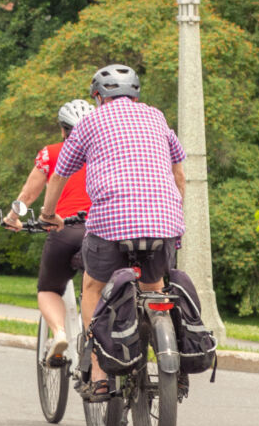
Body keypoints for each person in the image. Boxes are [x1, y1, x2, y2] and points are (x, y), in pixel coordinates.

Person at [40, 65, 185, 401]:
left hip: (111, 226)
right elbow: (179, 175)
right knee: (155, 288)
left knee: (93, 285)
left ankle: (101, 374)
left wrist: (49, 213)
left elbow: (60, 174)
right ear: (136, 94)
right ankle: (167, 355)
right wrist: (176, 219)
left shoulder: (90, 121)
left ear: (98, 96)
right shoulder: (157, 118)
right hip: (163, 222)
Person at [3, 99, 93, 362]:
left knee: (48, 288)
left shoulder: (51, 153)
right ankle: (96, 339)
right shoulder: (107, 152)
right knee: (97, 285)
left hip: (64, 229)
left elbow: (28, 195)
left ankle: (60, 333)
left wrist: (12, 218)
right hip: (101, 230)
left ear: (63, 130)